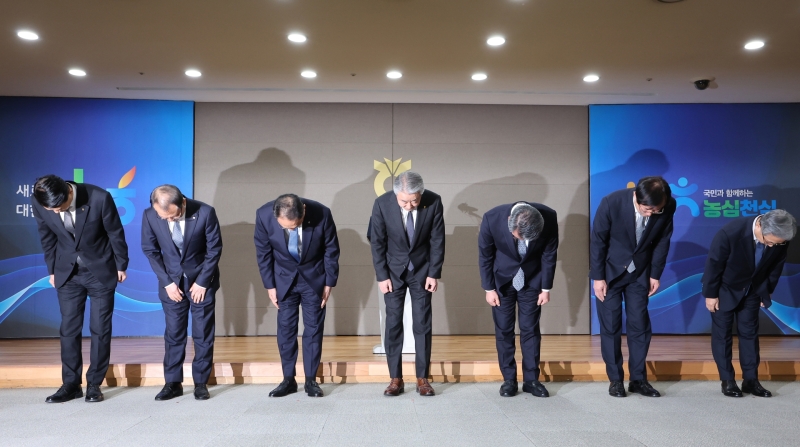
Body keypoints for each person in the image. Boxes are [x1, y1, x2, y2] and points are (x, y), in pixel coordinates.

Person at [30, 174, 128, 403]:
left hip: (100, 270)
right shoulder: (39, 200)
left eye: (59, 207)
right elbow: (46, 236)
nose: (55, 212)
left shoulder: (99, 197)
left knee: (100, 329)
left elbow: (115, 232)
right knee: (69, 329)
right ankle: (71, 384)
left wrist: (121, 264)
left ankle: (94, 383)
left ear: (68, 192)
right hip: (67, 272)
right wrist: (52, 270)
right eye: (51, 209)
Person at [590, 176, 675, 398]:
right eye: (647, 209)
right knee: (611, 326)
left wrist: (655, 273)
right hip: (610, 273)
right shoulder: (611, 202)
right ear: (636, 196)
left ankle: (638, 379)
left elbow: (663, 240)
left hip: (640, 273)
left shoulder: (668, 205)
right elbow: (598, 241)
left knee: (640, 326)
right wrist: (598, 277)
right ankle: (615, 380)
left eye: (657, 210)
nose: (652, 214)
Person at [702, 209, 796, 398]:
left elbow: (776, 266)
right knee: (722, 335)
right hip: (725, 289)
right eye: (769, 242)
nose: (772, 246)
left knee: (750, 334)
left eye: (777, 244)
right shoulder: (730, 232)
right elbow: (714, 264)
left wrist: (766, 290)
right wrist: (711, 294)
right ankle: (727, 381)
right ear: (760, 226)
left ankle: (751, 381)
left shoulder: (780, 237)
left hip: (753, 290)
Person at [141, 185, 222, 401]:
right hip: (171, 284)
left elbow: (214, 249)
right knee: (174, 333)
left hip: (201, 282)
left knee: (202, 333)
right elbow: (150, 250)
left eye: (173, 216)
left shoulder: (205, 212)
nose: (169, 220)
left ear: (183, 203)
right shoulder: (149, 215)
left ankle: (201, 383)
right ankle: (173, 383)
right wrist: (167, 282)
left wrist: (202, 282)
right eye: (164, 217)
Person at [254, 194, 340, 398]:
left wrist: (329, 282)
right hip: (283, 280)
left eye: (295, 226)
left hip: (314, 278)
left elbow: (331, 250)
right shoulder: (263, 215)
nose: (291, 230)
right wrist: (269, 285)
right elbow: (263, 253)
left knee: (313, 329)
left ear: (303, 211)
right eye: (286, 227)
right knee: (286, 330)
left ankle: (311, 380)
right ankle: (288, 379)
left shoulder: (322, 213)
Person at [370, 171, 445, 397]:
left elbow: (437, 240)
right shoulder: (382, 204)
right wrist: (382, 276)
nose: (410, 205)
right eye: (404, 201)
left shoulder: (434, 201)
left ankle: (423, 378)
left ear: (420, 193)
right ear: (396, 195)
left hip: (422, 271)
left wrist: (433, 273)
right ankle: (395, 378)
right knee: (393, 324)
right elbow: (377, 242)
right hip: (393, 272)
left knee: (422, 324)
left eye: (414, 200)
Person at [479, 202, 558, 398]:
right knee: (504, 330)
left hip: (532, 280)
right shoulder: (492, 218)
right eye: (518, 237)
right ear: (509, 221)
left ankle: (531, 380)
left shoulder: (549, 217)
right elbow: (485, 255)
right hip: (502, 282)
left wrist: (545, 288)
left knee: (530, 330)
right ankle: (509, 380)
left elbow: (549, 254)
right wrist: (489, 289)